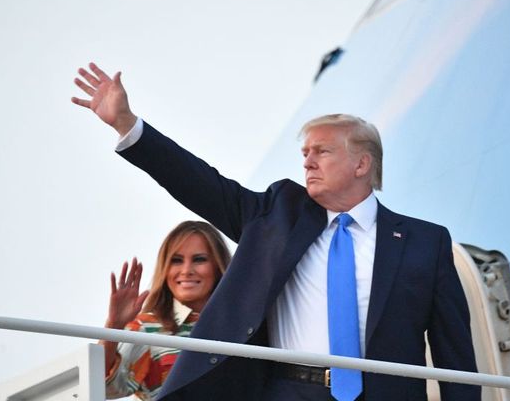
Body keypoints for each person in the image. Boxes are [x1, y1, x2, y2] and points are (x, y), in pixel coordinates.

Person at [73, 63, 479, 401]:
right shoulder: (276, 214)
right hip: (286, 392)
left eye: (322, 151)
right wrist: (126, 124)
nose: (308, 162)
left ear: (362, 164)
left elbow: (455, 357)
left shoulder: (426, 243)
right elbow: (197, 181)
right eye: (305, 153)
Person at [101, 221, 231, 400]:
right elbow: (103, 387)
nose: (186, 270)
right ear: (165, 269)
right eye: (176, 261)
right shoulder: (147, 327)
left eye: (199, 259)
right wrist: (113, 326)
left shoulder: (241, 326)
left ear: (218, 265)